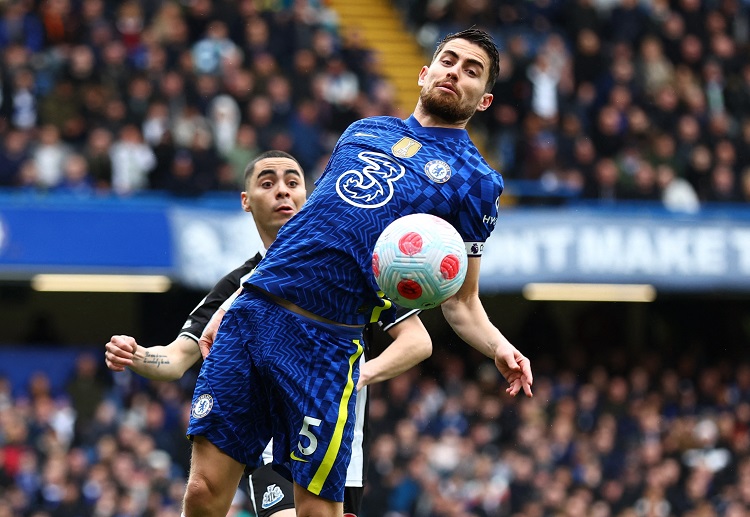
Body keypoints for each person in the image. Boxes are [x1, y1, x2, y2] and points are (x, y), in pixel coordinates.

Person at [185, 27, 534, 517]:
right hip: (255, 314)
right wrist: (235, 300)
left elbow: (461, 300)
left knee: (314, 512)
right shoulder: (364, 130)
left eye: (471, 71)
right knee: (203, 491)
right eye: (448, 61)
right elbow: (308, 227)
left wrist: (501, 346)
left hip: (326, 344)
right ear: (424, 72)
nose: (455, 72)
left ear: (485, 99)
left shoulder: (476, 182)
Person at [104, 150, 431, 517]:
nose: (282, 192)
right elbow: (177, 358)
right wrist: (137, 355)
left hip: (334, 440)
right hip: (270, 448)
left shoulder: (348, 267)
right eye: (268, 183)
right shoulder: (238, 286)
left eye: (293, 183)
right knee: (203, 493)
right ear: (246, 201)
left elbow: (417, 341)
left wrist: (359, 375)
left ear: (310, 196)